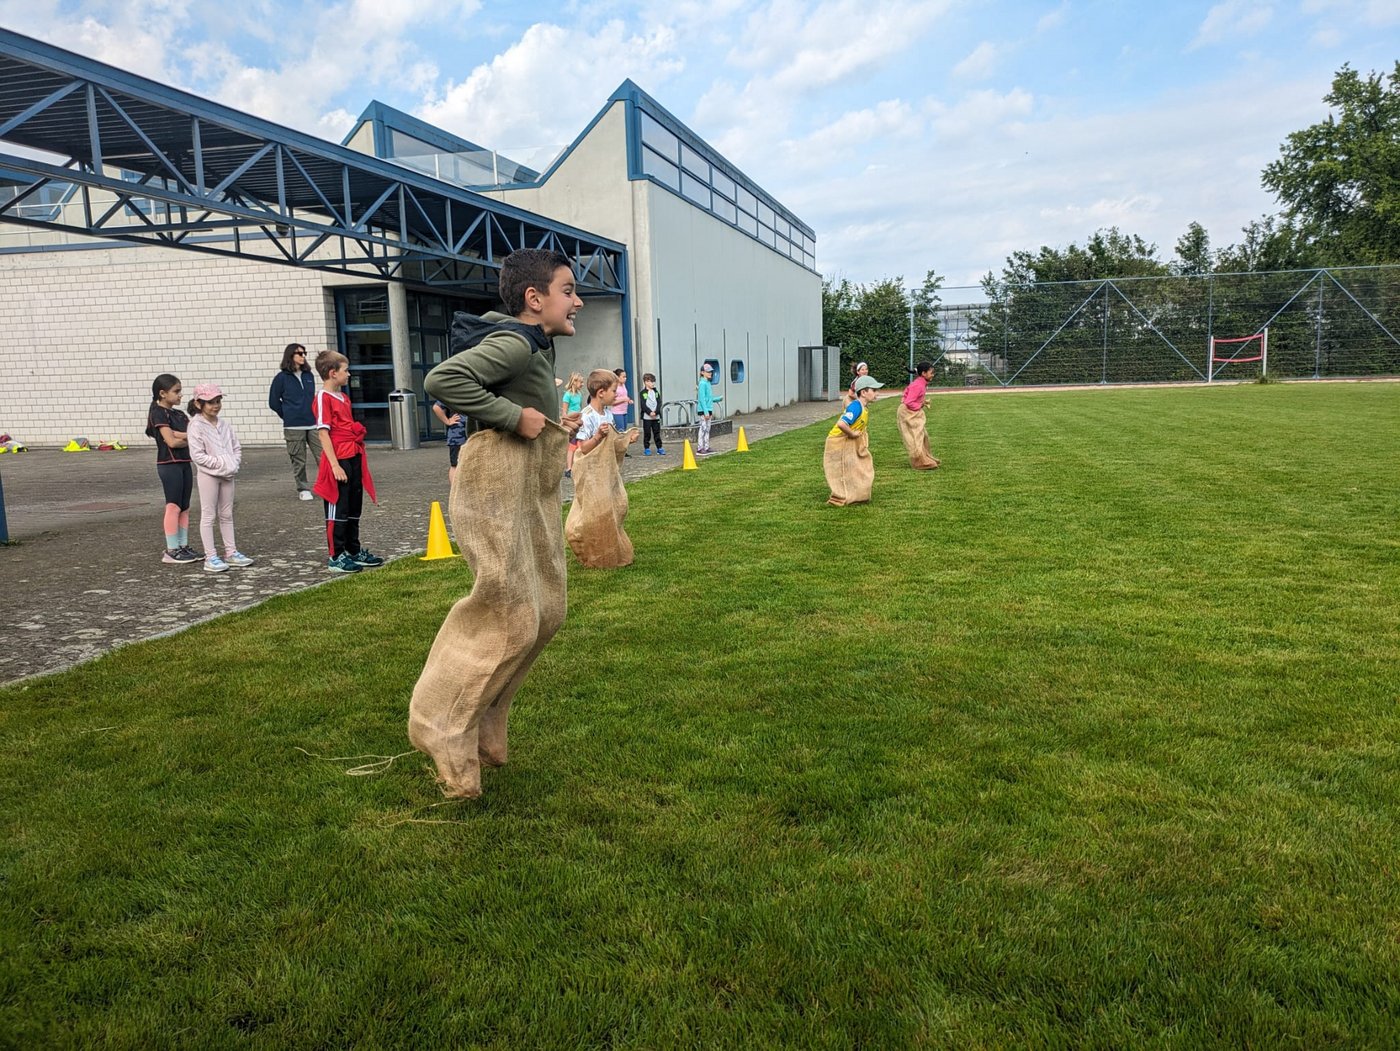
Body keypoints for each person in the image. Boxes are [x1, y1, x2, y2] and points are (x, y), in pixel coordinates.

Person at [408, 248, 585, 799]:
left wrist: (547, 420)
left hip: (526, 492)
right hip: (495, 491)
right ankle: (440, 724)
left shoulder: (533, 345)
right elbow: (443, 379)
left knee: (546, 610)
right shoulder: (515, 342)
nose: (577, 301)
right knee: (509, 613)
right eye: (568, 290)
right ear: (535, 298)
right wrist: (511, 416)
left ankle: (488, 715)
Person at [311, 351, 383, 574]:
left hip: (353, 455)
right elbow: (323, 433)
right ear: (333, 373)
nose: (349, 374)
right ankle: (336, 555)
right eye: (346, 370)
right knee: (338, 506)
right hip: (339, 457)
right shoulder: (323, 398)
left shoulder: (343, 397)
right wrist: (335, 465)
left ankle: (353, 549)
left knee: (353, 505)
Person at [185, 383, 255, 572]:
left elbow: (236, 447)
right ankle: (211, 556)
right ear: (199, 404)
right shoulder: (195, 425)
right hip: (209, 475)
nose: (215, 406)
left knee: (227, 514)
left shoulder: (224, 425)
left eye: (218, 401)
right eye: (210, 402)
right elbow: (197, 455)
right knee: (209, 515)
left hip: (228, 474)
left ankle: (231, 552)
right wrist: (220, 463)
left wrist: (233, 462)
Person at [146, 374, 201, 564]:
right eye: (176, 391)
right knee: (173, 505)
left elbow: (185, 434)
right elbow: (171, 441)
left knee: (185, 506)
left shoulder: (179, 414)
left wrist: (184, 437)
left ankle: (183, 545)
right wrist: (189, 439)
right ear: (162, 393)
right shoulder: (158, 413)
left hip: (184, 462)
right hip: (169, 464)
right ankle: (171, 550)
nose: (180, 395)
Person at [267, 343, 320, 501]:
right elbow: (273, 402)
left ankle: (328, 485)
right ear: (291, 356)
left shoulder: (308, 375)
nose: (303, 356)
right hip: (293, 426)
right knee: (298, 459)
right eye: (299, 353)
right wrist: (288, 415)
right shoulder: (281, 378)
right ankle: (303, 488)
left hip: (312, 423)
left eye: (304, 353)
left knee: (323, 456)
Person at [825, 374, 882, 506]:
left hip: (849, 441)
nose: (877, 393)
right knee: (841, 470)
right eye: (874, 390)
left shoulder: (864, 408)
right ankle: (840, 496)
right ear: (863, 392)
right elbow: (841, 424)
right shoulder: (855, 407)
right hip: (837, 442)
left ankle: (855, 494)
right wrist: (851, 434)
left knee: (858, 468)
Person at [575, 367, 639, 456]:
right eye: (614, 391)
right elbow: (583, 449)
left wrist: (628, 440)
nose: (616, 395)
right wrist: (598, 436)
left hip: (607, 463)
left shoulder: (608, 414)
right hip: (591, 463)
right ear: (601, 393)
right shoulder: (586, 415)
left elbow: (612, 442)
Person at [898, 361, 941, 470]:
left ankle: (926, 457)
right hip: (907, 412)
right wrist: (920, 404)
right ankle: (919, 462)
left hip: (911, 410)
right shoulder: (918, 385)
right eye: (931, 373)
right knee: (915, 436)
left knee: (923, 435)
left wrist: (921, 402)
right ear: (923, 373)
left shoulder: (921, 383)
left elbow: (908, 397)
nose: (933, 375)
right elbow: (908, 402)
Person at [431, 399, 468, 486]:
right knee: (455, 464)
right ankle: (455, 490)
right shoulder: (452, 394)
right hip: (457, 436)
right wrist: (447, 421)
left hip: (472, 435)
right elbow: (436, 407)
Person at [560, 372, 585, 477]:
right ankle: (568, 468)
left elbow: (580, 409)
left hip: (577, 419)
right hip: (570, 418)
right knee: (571, 445)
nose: (582, 384)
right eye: (581, 382)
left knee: (577, 443)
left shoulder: (579, 394)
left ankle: (576, 466)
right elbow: (564, 412)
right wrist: (568, 420)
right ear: (574, 382)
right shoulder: (567, 395)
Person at [696, 362, 722, 454]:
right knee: (703, 429)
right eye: (708, 372)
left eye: (710, 372)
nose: (710, 373)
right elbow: (702, 399)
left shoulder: (707, 383)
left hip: (708, 409)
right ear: (702, 372)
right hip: (704, 410)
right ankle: (700, 448)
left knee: (707, 429)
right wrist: (706, 412)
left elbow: (709, 398)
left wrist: (717, 399)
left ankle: (706, 447)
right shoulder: (702, 383)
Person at [638, 372, 665, 456]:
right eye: (651, 381)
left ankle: (659, 448)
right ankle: (647, 448)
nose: (653, 383)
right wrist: (649, 412)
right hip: (647, 417)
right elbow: (643, 405)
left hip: (656, 417)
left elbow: (659, 402)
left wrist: (656, 412)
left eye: (654, 381)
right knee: (647, 433)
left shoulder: (656, 392)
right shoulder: (643, 393)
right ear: (646, 382)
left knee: (657, 433)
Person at [611, 368, 633, 455]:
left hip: (624, 411)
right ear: (617, 377)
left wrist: (628, 400)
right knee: (620, 431)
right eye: (623, 377)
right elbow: (612, 402)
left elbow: (625, 397)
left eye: (625, 377)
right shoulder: (614, 387)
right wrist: (623, 399)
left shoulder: (623, 386)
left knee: (624, 432)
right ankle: (618, 450)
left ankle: (623, 449)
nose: (625, 378)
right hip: (617, 412)